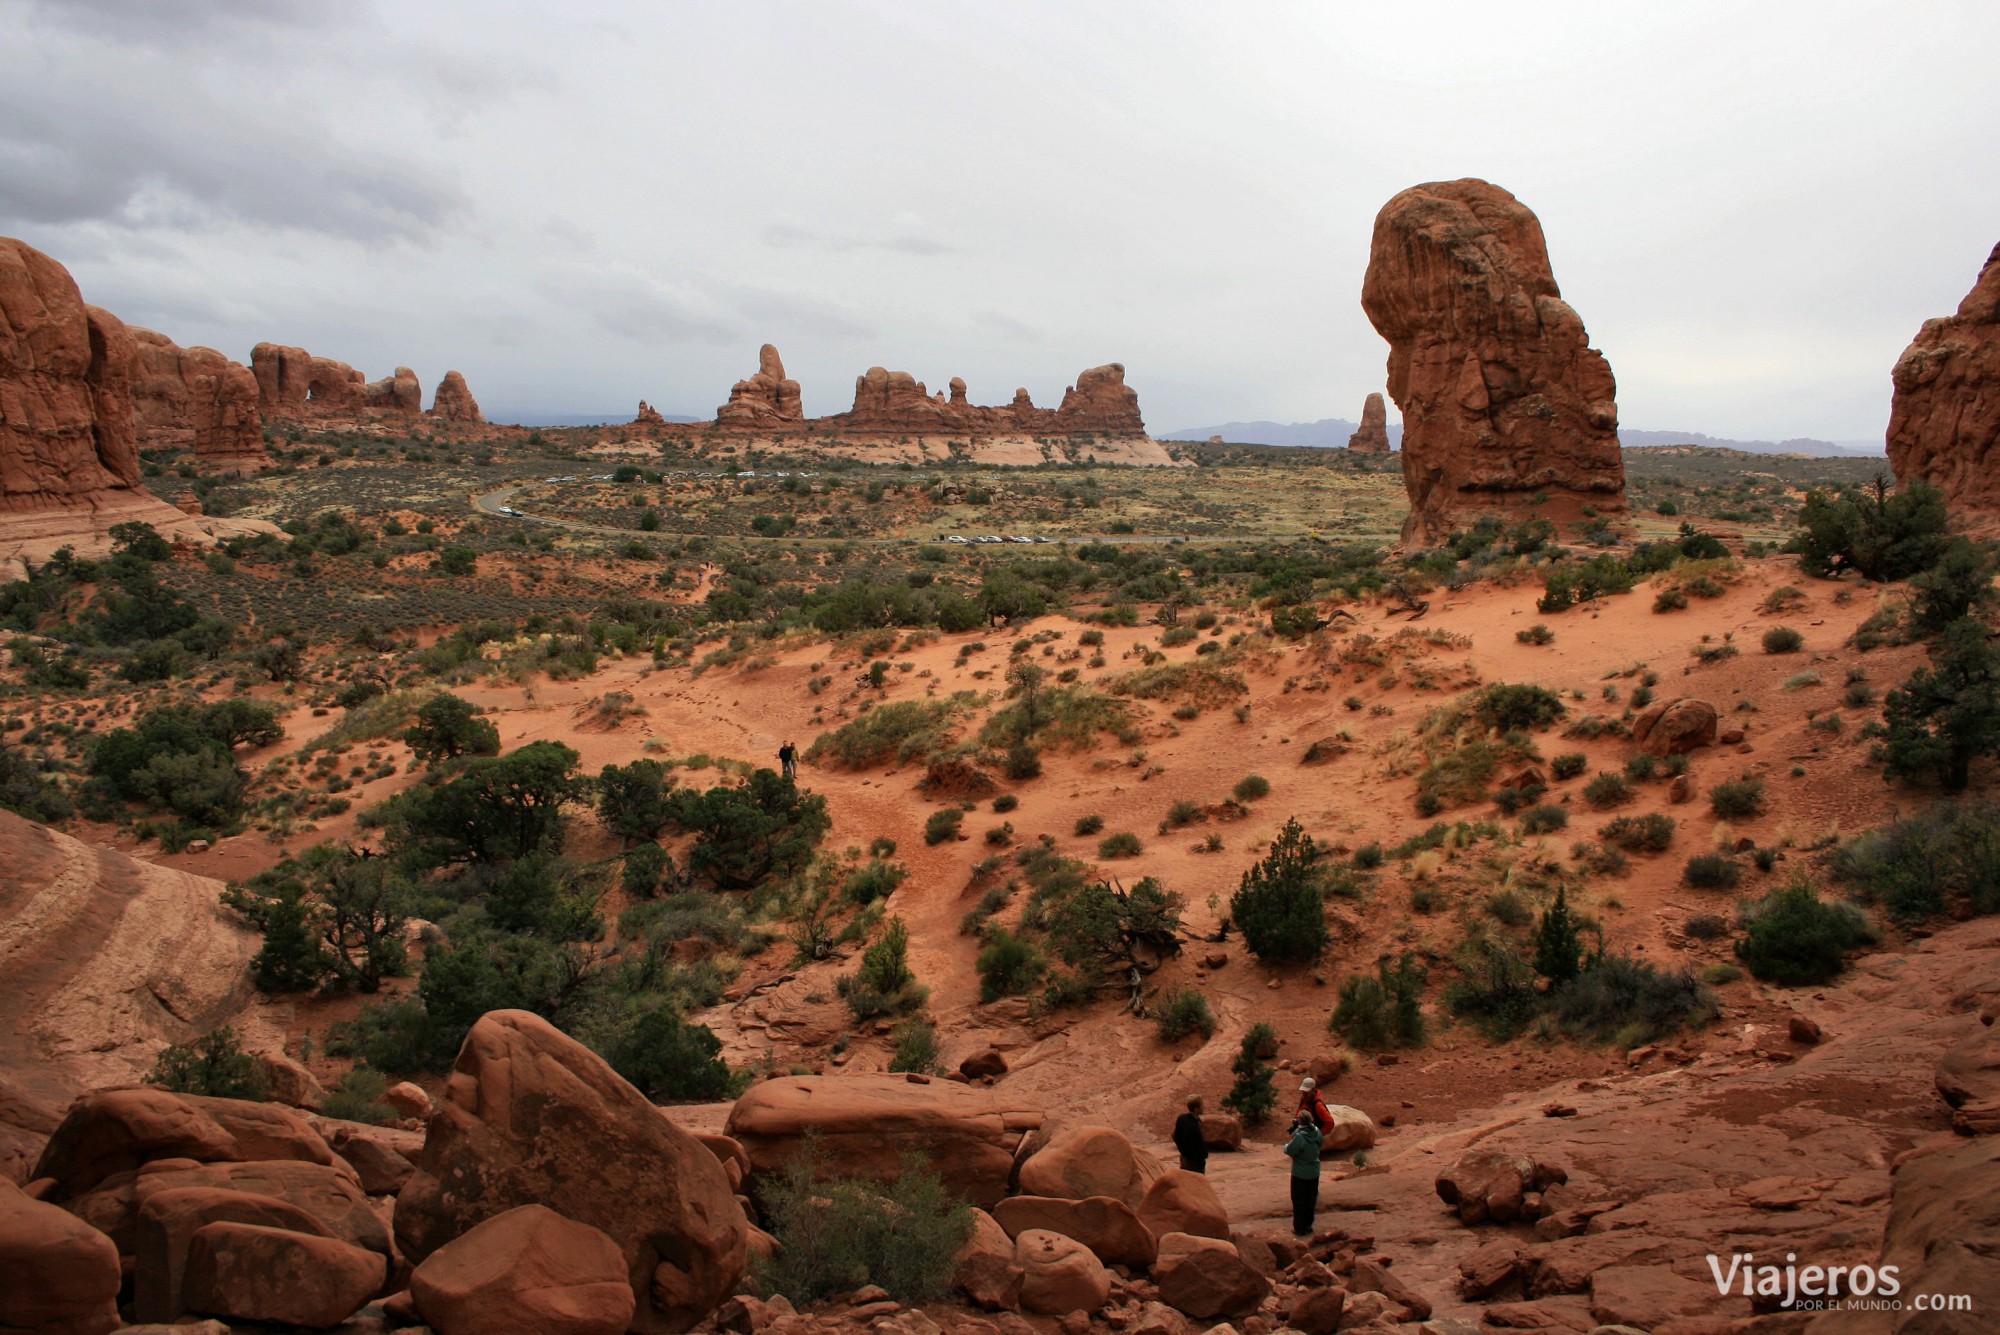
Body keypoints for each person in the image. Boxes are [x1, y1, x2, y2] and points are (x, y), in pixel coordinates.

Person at [1283, 1110, 1322, 1237]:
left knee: (1299, 1200)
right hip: (1314, 1171)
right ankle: (1308, 1225)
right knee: (1311, 1199)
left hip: (1300, 1173)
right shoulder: (1316, 1131)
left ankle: (1299, 1228)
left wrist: (1286, 1145)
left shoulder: (1300, 1136)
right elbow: (1321, 1143)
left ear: (1301, 1121)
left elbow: (1290, 1150)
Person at [1172, 1095, 1209, 1173]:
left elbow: (1175, 1136)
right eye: (1201, 1105)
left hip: (1184, 1159)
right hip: (1195, 1164)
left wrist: (1182, 1151)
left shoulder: (1181, 1118)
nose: (1203, 1107)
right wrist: (1203, 1156)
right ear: (1196, 1109)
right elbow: (1198, 1145)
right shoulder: (1194, 1126)